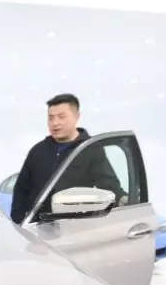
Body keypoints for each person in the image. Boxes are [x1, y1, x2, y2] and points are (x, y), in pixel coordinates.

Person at [9, 93, 122, 224]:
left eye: (61, 117)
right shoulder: (38, 151)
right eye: (50, 118)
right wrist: (20, 221)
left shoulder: (90, 150)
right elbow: (21, 189)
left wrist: (123, 200)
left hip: (73, 228)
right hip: (35, 227)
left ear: (76, 117)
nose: (55, 123)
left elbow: (110, 187)